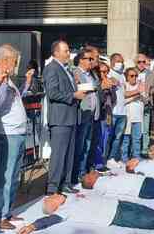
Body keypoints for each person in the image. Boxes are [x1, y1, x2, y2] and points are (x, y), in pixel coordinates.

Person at [0, 44, 33, 230]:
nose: (16, 65)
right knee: (4, 175)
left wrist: (26, 85)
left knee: (13, 174)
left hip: (16, 133)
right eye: (15, 62)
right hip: (6, 134)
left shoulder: (7, 80)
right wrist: (2, 83)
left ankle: (7, 210)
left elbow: (12, 101)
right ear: (5, 61)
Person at [19, 193, 154, 234]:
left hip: (122, 205)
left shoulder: (72, 197)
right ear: (53, 206)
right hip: (118, 216)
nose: (55, 195)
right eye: (51, 197)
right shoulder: (63, 212)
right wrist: (33, 225)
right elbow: (47, 221)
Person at [43, 40, 87, 194]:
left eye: (68, 51)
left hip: (71, 116)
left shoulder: (66, 69)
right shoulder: (51, 68)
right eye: (66, 51)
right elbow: (53, 93)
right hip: (60, 118)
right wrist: (73, 95)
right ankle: (53, 186)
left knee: (69, 153)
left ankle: (66, 183)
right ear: (56, 52)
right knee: (59, 154)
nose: (69, 54)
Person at [72, 48, 101, 184]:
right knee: (81, 146)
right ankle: (77, 173)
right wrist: (93, 86)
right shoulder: (76, 72)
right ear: (81, 60)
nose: (91, 61)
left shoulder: (91, 74)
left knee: (88, 145)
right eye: (89, 59)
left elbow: (96, 87)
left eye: (92, 59)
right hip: (83, 115)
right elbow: (80, 87)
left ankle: (84, 171)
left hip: (92, 115)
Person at [92, 62, 116, 172]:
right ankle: (98, 163)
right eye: (103, 71)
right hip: (100, 114)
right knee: (99, 139)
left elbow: (114, 99)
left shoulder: (109, 81)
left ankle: (103, 160)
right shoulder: (97, 83)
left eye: (107, 71)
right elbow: (98, 99)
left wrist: (111, 89)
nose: (105, 74)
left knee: (106, 138)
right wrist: (103, 88)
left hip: (108, 113)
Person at [107, 53, 128, 165]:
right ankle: (104, 158)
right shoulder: (109, 74)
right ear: (112, 62)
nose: (120, 64)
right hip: (113, 112)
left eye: (122, 61)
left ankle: (112, 158)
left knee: (118, 137)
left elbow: (124, 93)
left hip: (122, 112)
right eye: (118, 61)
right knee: (109, 137)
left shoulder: (123, 75)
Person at [122, 67, 146, 162]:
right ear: (127, 77)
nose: (134, 78)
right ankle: (124, 158)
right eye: (132, 76)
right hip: (127, 117)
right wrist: (136, 94)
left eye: (136, 76)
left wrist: (142, 93)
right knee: (126, 139)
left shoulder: (140, 86)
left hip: (138, 117)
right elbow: (124, 97)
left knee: (137, 139)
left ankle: (136, 157)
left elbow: (144, 99)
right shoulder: (124, 85)